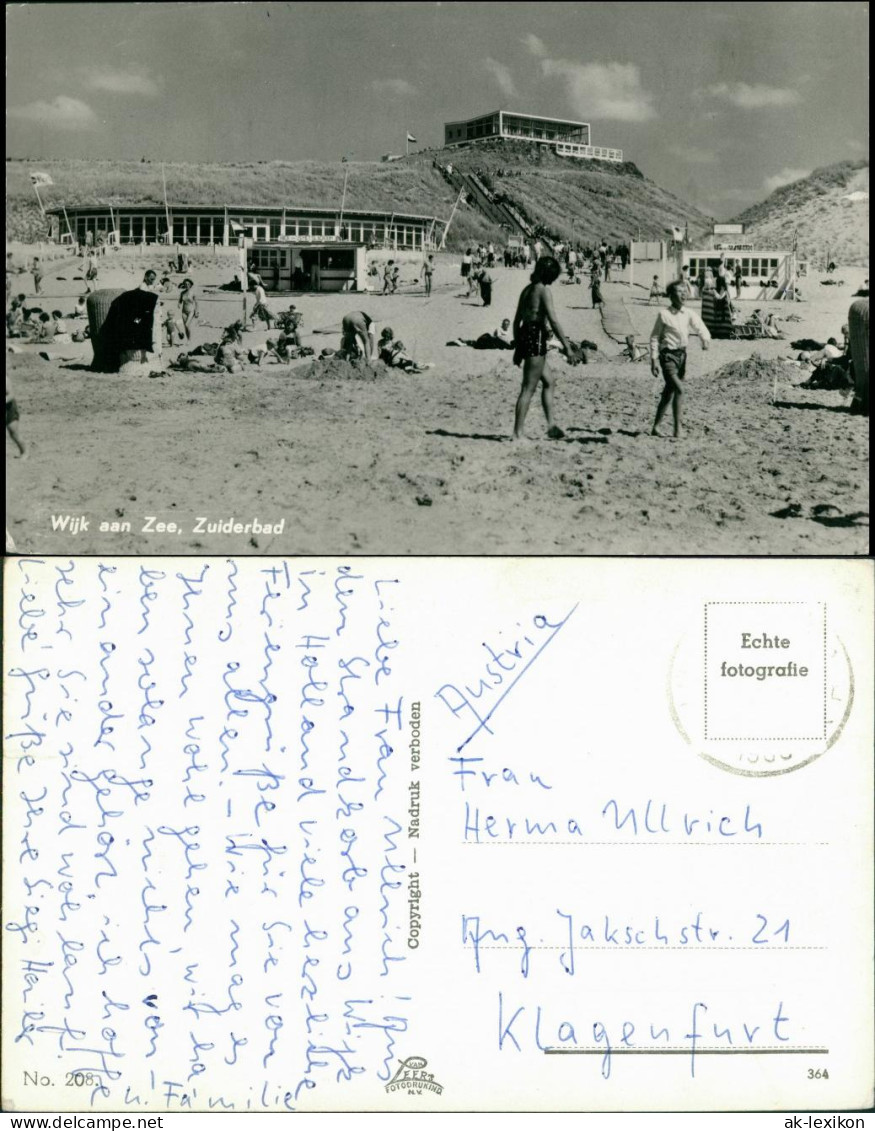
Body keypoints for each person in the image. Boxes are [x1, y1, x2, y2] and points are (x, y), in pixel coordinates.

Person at [511, 256, 581, 441]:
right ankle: (517, 433)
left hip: (526, 334)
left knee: (549, 382)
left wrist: (518, 347)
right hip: (536, 336)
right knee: (528, 388)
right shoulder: (543, 291)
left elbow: (516, 321)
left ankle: (551, 426)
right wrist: (567, 347)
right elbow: (554, 320)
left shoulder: (526, 290)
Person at [649, 280, 711, 439]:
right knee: (680, 389)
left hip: (682, 357)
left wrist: (705, 339)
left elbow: (700, 326)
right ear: (670, 295)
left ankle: (655, 427)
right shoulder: (663, 314)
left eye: (685, 291)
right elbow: (655, 337)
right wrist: (654, 360)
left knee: (668, 393)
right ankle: (678, 429)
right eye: (679, 291)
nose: (683, 294)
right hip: (667, 356)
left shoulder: (689, 313)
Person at [6, 376, 27, 458]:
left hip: (8, 408)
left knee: (13, 432)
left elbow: (11, 395)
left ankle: (24, 452)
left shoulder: (6, 379)